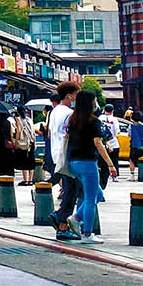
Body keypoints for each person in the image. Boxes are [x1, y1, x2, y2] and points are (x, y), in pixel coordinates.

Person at [58, 90, 112, 244]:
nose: (96, 104)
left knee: (97, 195)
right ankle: (87, 232)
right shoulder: (93, 121)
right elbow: (97, 142)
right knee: (90, 198)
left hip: (74, 163)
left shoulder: (73, 120)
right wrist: (110, 164)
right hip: (88, 162)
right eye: (94, 101)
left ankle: (76, 218)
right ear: (90, 103)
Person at [47, 81, 81, 229]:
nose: (76, 98)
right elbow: (71, 134)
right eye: (75, 94)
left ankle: (63, 221)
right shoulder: (68, 113)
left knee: (70, 189)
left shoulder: (55, 111)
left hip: (57, 153)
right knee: (71, 191)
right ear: (69, 95)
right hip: (67, 154)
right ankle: (61, 221)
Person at [0, 110, 18, 184]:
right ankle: (8, 174)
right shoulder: (8, 122)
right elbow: (11, 134)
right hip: (7, 143)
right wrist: (13, 143)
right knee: (7, 159)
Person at [12, 105, 37, 185]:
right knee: (31, 161)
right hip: (31, 142)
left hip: (23, 143)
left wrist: (16, 141)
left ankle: (25, 180)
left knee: (23, 161)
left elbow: (19, 131)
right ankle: (30, 180)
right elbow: (33, 132)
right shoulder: (30, 120)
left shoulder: (18, 120)